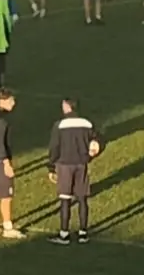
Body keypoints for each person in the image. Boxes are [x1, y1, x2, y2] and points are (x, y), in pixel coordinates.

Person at [48, 97, 103, 245]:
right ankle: (83, 233)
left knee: (65, 199)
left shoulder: (59, 125)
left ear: (67, 107)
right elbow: (99, 141)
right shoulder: (87, 123)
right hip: (81, 164)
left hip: (64, 165)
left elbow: (54, 148)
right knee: (82, 198)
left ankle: (64, 234)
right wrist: (92, 154)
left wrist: (51, 167)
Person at [0, 89, 25, 240]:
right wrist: (7, 163)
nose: (13, 102)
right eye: (10, 100)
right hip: (0, 161)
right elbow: (0, 143)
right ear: (2, 101)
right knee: (6, 196)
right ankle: (8, 227)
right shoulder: (2, 121)